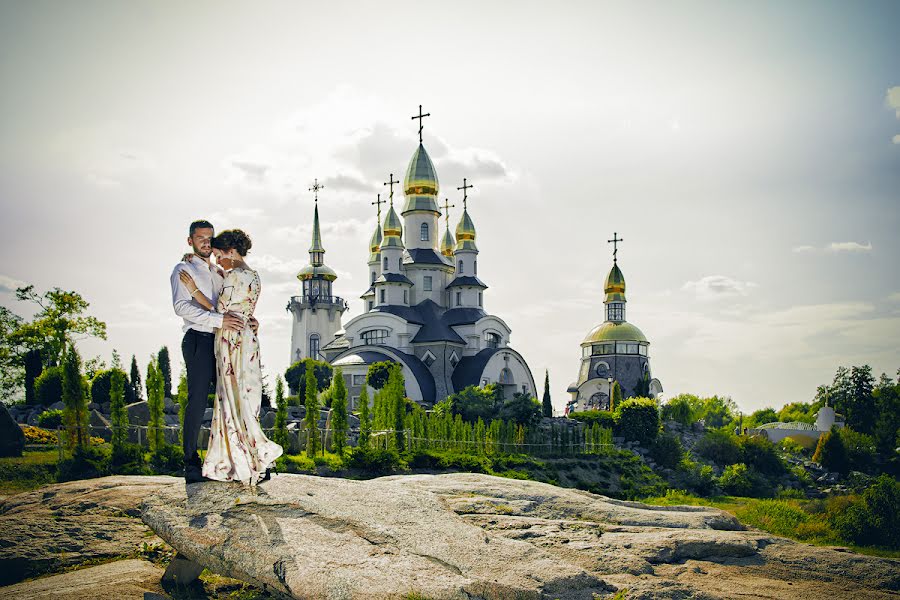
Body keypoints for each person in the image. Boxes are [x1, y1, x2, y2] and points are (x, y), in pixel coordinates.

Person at [178, 228, 283, 486]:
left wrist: (193, 290)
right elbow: (242, 307)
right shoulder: (252, 275)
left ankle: (245, 460)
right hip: (244, 340)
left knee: (231, 402)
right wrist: (249, 321)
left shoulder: (232, 275)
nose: (217, 260)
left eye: (219, 255)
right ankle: (249, 460)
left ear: (231, 252)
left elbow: (219, 309)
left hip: (231, 342)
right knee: (242, 400)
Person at [171, 220, 245, 483]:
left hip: (222, 342)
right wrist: (218, 321)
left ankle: (237, 460)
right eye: (200, 238)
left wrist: (247, 320)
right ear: (190, 240)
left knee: (230, 400)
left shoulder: (219, 271)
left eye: (209, 238)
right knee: (198, 401)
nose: (205, 242)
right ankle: (191, 464)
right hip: (198, 341)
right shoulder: (183, 269)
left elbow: (228, 304)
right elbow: (181, 307)